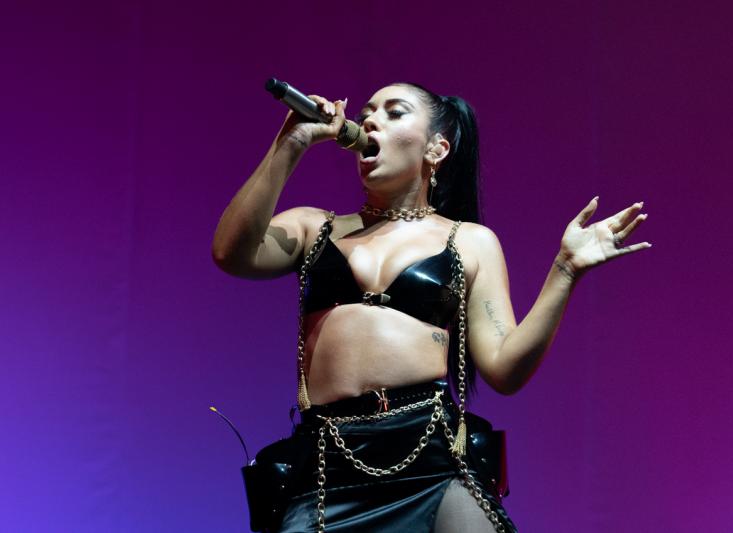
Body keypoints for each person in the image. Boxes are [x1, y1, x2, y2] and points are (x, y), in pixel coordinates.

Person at [212, 82, 651, 532]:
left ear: (436, 149)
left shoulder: (469, 241)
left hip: (429, 457)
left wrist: (565, 269)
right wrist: (291, 142)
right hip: (328, 464)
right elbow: (231, 253)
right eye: (366, 113)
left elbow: (505, 368)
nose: (370, 120)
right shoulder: (313, 227)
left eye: (394, 112)